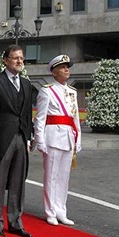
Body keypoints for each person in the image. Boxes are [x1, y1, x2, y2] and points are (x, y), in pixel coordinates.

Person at [0, 44, 33, 237]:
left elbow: (27, 114)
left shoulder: (26, 84)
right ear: (5, 60)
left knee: (18, 182)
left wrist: (28, 138)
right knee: (0, 181)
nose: (19, 61)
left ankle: (16, 222)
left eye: (21, 58)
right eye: (15, 58)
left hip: (21, 137)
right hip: (1, 139)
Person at [34, 54, 81, 226]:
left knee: (64, 177)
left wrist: (78, 139)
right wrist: (40, 140)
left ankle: (61, 210)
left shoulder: (72, 92)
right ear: (54, 72)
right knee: (51, 176)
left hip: (69, 136)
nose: (66, 70)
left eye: (68, 67)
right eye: (62, 67)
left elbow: (75, 118)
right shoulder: (47, 91)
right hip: (52, 136)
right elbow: (40, 118)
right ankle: (50, 211)